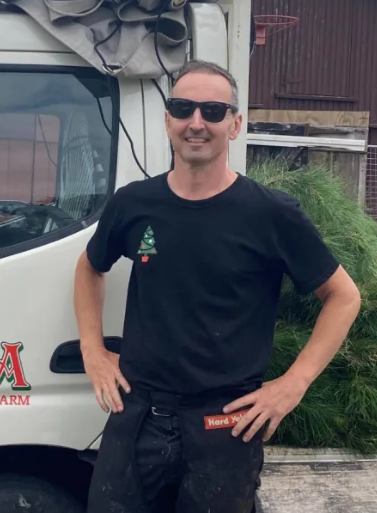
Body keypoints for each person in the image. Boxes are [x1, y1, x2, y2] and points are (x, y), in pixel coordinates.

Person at [73, 59, 362, 513]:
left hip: (224, 425)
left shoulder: (271, 214)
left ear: (234, 124)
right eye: (184, 108)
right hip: (136, 417)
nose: (196, 122)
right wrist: (91, 347)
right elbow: (90, 268)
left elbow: (343, 297)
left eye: (212, 110)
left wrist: (293, 385)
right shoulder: (134, 203)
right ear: (167, 119)